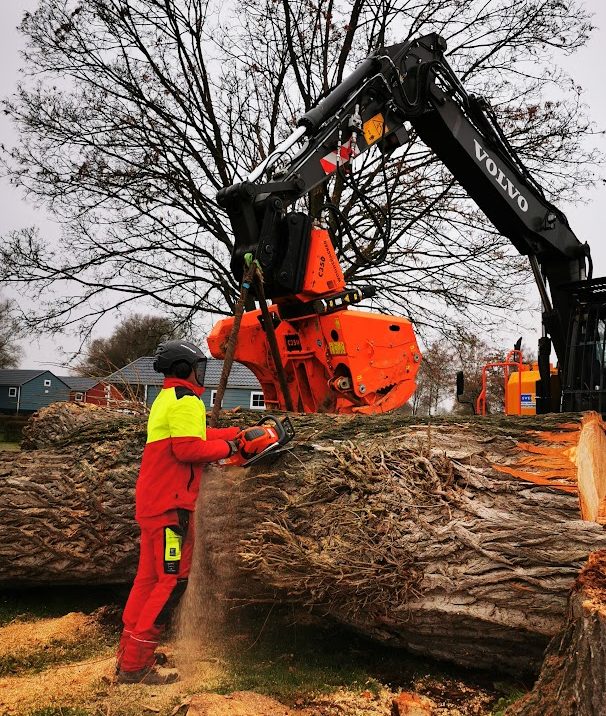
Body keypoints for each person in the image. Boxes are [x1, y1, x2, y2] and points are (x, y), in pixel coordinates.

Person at [115, 340, 243, 685]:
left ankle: (129, 653)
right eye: (198, 368)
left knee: (149, 579)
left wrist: (238, 434)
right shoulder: (186, 400)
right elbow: (189, 449)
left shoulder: (168, 398)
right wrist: (231, 448)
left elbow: (197, 434)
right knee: (171, 582)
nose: (201, 374)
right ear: (186, 370)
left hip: (154, 502)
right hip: (172, 506)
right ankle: (135, 666)